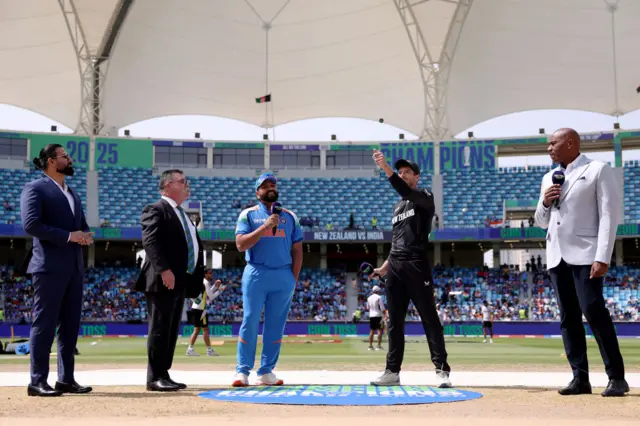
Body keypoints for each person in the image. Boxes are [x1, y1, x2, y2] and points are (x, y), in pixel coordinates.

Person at [534, 128, 628, 397]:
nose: (549, 148)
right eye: (548, 144)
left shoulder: (598, 169)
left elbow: (609, 215)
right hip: (556, 256)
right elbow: (541, 221)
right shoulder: (548, 178)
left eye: (553, 143)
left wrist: (602, 256)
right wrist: (545, 201)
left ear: (571, 142)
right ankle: (580, 378)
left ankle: (617, 377)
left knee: (594, 311)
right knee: (568, 319)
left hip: (587, 254)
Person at [369, 150, 451, 388]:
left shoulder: (424, 196)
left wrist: (386, 168)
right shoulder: (397, 207)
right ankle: (392, 371)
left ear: (416, 177)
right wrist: (384, 267)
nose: (403, 175)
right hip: (395, 266)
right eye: (400, 171)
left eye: (407, 172)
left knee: (429, 319)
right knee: (394, 322)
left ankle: (441, 370)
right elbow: (397, 240)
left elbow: (405, 190)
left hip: (416, 264)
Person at [20, 144, 94, 397]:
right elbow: (31, 224)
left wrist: (84, 236)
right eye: (65, 156)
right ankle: (37, 381)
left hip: (74, 267)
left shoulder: (72, 192)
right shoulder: (35, 188)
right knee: (45, 323)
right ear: (51, 161)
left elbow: (80, 225)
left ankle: (66, 379)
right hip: (49, 266)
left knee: (71, 325)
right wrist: (69, 236)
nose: (70, 159)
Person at [136, 169, 205, 392]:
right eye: (182, 181)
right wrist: (164, 269)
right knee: (159, 328)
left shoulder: (183, 214)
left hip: (180, 281)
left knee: (170, 329)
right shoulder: (156, 209)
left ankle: (164, 373)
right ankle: (154, 376)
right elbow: (150, 241)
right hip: (162, 279)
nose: (187, 184)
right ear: (167, 186)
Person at [233, 172, 303, 387]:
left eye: (273, 184)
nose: (270, 187)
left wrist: (293, 278)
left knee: (276, 325)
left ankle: (266, 371)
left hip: (283, 275)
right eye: (265, 185)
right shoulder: (248, 215)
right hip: (256, 272)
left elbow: (298, 249)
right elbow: (240, 244)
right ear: (257, 192)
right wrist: (264, 227)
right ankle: (242, 371)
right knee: (250, 320)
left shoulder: (290, 216)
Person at [186, 269, 224, 357]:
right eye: (210, 273)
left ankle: (190, 349)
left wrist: (215, 286)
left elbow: (206, 294)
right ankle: (209, 350)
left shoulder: (203, 282)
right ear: (205, 274)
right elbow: (210, 297)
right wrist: (220, 290)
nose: (211, 275)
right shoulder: (206, 282)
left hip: (196, 308)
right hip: (201, 310)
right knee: (205, 330)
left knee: (197, 330)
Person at [366, 285, 387, 351]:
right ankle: (378, 346)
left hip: (371, 315)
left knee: (372, 331)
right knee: (380, 331)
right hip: (379, 315)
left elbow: (367, 308)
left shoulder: (369, 298)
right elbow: (382, 308)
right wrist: (385, 315)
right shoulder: (379, 297)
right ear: (378, 291)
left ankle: (370, 346)